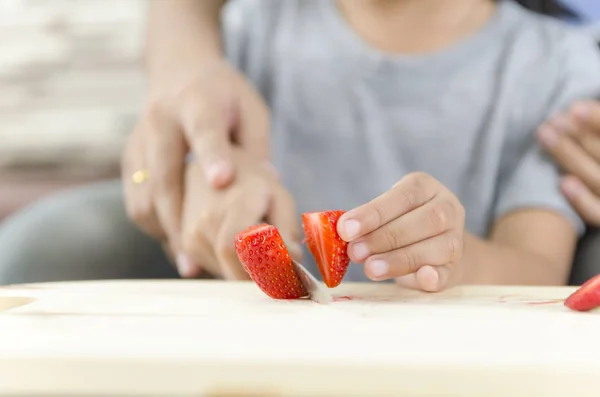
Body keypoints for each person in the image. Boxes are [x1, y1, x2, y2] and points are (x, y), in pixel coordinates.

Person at [1, 0, 600, 291]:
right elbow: (211, 171)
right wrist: (222, 202)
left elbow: (536, 270)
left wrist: (452, 254)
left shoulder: (558, 65)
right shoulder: (256, 26)